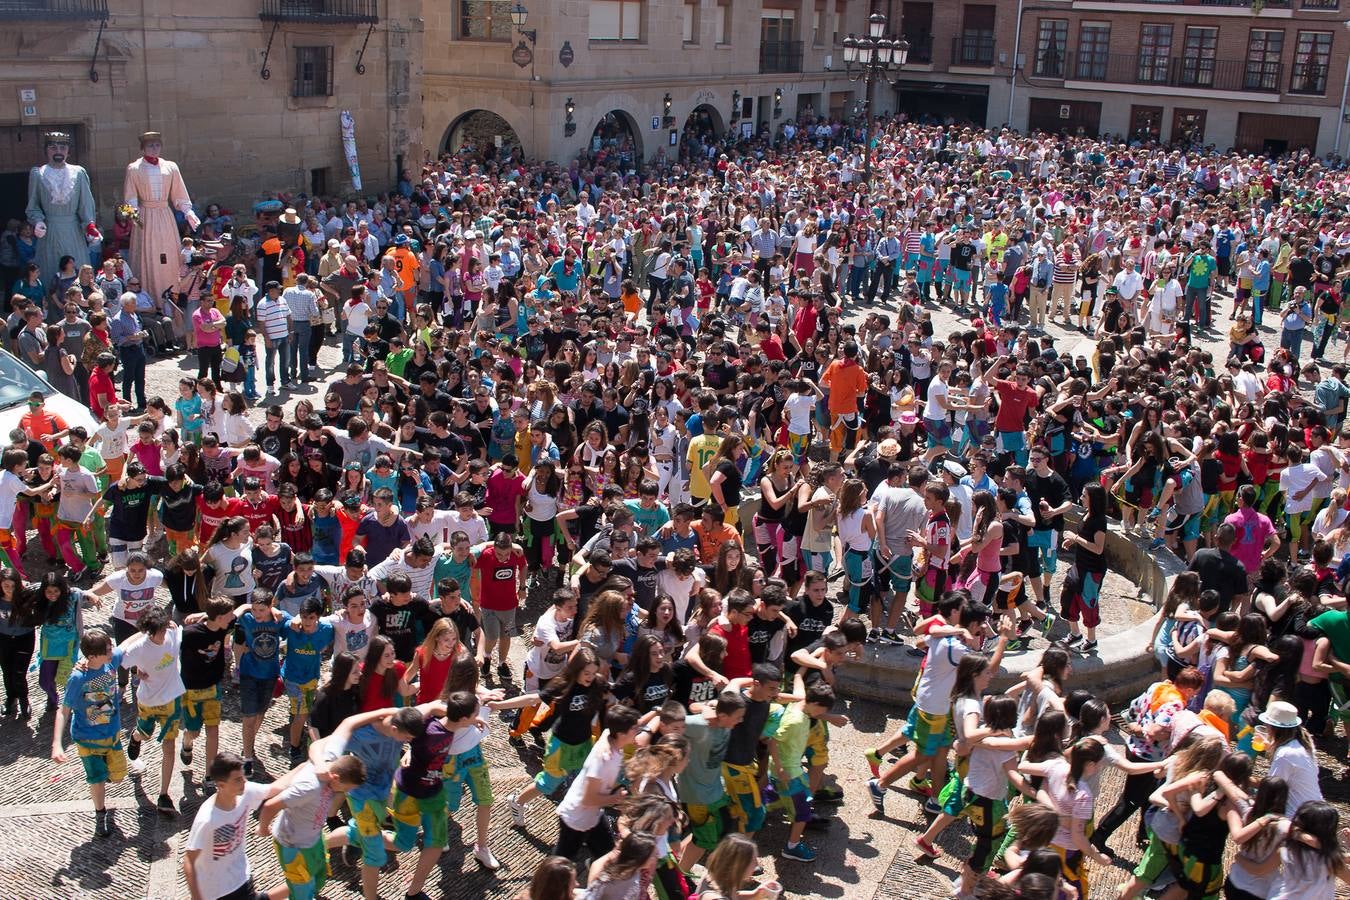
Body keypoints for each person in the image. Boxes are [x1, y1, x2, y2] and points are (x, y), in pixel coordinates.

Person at [182, 752, 274, 900]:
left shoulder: (245, 791)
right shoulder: (207, 820)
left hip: (241, 880)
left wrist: (308, 766)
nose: (244, 782)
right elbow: (189, 860)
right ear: (221, 785)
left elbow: (275, 788)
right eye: (238, 780)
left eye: (243, 777)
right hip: (216, 893)